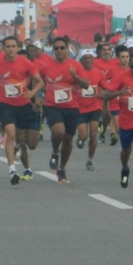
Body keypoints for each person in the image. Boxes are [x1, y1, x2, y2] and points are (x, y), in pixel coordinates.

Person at [0, 36, 44, 185]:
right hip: (6, 105)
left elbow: (40, 81)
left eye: (13, 46)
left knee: (28, 142)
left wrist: (32, 93)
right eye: (7, 46)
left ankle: (17, 147)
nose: (11, 49)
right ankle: (12, 170)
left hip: (24, 105)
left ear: (17, 48)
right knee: (10, 134)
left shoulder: (25, 62)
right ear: (3, 48)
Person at [39, 37, 89, 183]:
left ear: (67, 49)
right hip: (52, 106)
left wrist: (75, 76)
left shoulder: (75, 66)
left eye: (62, 48)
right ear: (53, 50)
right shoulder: (46, 66)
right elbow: (36, 79)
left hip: (71, 107)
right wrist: (41, 93)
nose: (59, 50)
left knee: (67, 139)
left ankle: (62, 168)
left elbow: (86, 85)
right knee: (59, 132)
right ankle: (55, 152)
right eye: (56, 48)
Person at [103, 53, 133, 193]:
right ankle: (125, 167)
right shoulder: (121, 77)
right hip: (126, 119)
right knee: (126, 150)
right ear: (129, 65)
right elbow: (105, 95)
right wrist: (119, 92)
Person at [75, 49, 106, 171]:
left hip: (95, 106)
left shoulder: (98, 73)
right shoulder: (77, 73)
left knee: (93, 133)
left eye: (90, 58)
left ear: (94, 59)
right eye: (85, 58)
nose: (88, 60)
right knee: (84, 135)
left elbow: (104, 86)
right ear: (81, 60)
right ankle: (80, 138)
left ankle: (89, 160)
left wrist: (103, 92)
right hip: (80, 107)